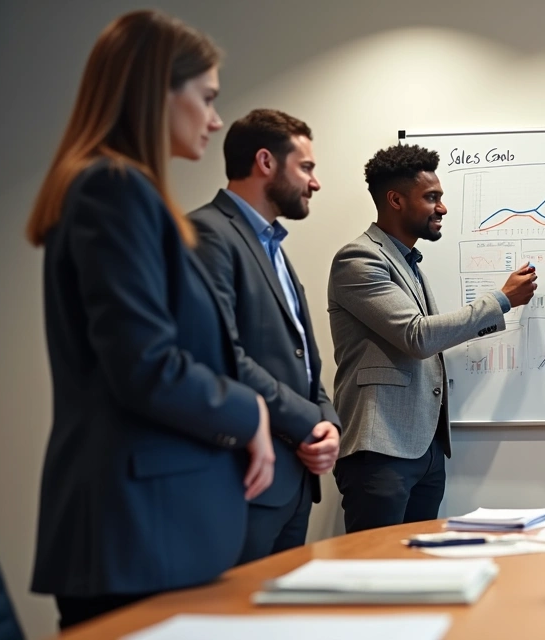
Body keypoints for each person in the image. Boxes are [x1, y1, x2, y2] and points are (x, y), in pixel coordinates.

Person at [24, 10, 273, 629]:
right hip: (137, 531)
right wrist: (252, 412)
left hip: (152, 530)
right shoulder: (113, 188)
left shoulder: (121, 191)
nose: (216, 118)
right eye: (207, 97)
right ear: (159, 87)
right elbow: (145, 364)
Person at [328, 143, 538, 532]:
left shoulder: (408, 262)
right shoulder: (359, 259)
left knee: (415, 571)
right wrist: (501, 301)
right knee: (378, 575)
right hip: (381, 450)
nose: (442, 208)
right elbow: (417, 337)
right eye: (431, 198)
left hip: (423, 449)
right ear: (395, 200)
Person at [188, 109, 341, 564]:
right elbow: (221, 354)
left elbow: (302, 357)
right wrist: (306, 422)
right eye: (307, 167)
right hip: (245, 479)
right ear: (266, 163)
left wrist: (328, 420)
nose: (315, 183)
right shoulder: (208, 233)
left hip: (294, 481)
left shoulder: (271, 245)